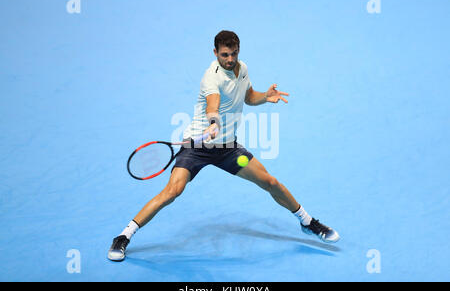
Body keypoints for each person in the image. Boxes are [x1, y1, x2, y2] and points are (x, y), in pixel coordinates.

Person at [108, 30, 339, 262]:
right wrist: (213, 123)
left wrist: (265, 97)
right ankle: (124, 236)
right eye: (225, 54)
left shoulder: (242, 68)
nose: (230, 59)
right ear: (215, 52)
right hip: (196, 149)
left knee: (269, 181)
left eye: (234, 54)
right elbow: (213, 105)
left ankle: (308, 222)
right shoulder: (211, 77)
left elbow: (248, 97)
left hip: (228, 149)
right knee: (173, 191)